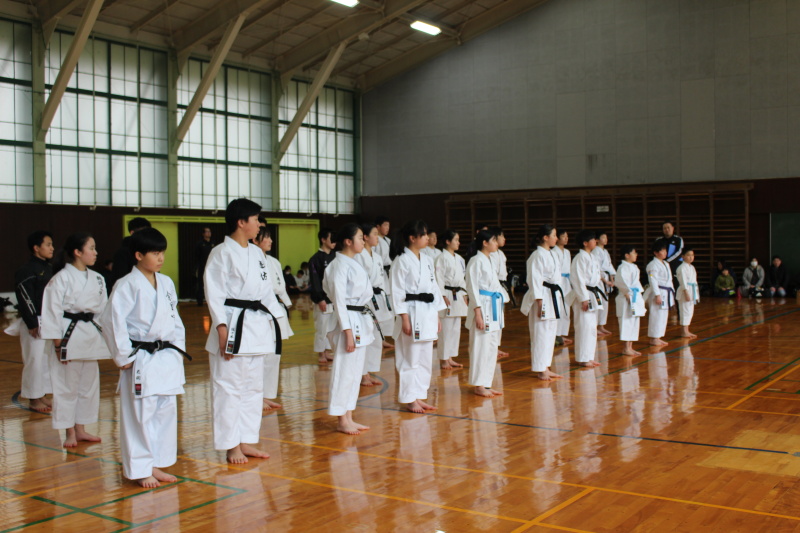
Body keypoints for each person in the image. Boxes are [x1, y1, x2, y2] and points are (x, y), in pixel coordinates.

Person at [98, 227, 188, 488]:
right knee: (141, 414)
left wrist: (178, 349)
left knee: (165, 412)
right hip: (141, 358)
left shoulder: (166, 283)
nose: (161, 258)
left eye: (162, 252)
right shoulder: (126, 285)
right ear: (138, 255)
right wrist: (122, 355)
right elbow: (112, 322)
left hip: (166, 356)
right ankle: (139, 469)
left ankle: (156, 463)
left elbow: (175, 320)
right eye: (155, 253)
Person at [204, 198, 280, 464]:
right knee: (229, 388)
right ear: (241, 222)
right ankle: (231, 445)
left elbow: (267, 292)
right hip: (233, 324)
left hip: (256, 326)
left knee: (253, 388)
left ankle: (246, 440)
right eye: (256, 220)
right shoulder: (220, 253)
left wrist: (276, 321)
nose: (259, 225)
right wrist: (221, 328)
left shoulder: (257, 254)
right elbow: (214, 294)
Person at [40, 232, 111, 447]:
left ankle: (81, 429)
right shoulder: (61, 278)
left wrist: (106, 338)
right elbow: (51, 312)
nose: (96, 253)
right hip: (68, 336)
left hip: (90, 336)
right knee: (66, 387)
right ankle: (69, 431)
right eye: (91, 248)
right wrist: (57, 345)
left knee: (88, 387)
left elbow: (103, 312)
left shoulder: (98, 278)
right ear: (77, 252)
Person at [323, 224, 376, 434]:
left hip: (359, 318)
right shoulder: (339, 265)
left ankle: (349, 416)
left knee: (355, 372)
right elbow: (339, 300)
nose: (363, 241)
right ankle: (341, 419)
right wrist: (347, 332)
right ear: (348, 241)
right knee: (344, 371)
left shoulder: (353, 263)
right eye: (360, 238)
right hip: (347, 321)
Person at [391, 220, 446, 413]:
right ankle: (409, 398)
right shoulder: (401, 261)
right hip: (411, 311)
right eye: (423, 235)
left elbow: (434, 288)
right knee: (410, 358)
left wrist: (437, 315)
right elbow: (397, 291)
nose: (427, 238)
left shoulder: (428, 260)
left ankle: (419, 395)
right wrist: (404, 318)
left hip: (428, 311)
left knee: (425, 358)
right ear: (412, 238)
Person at [6, 230, 55, 413]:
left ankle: (41, 394)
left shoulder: (48, 268)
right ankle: (34, 399)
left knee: (45, 359)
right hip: (34, 321)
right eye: (48, 244)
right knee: (33, 359)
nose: (52, 248)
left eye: (51, 244)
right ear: (36, 248)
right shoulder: (26, 270)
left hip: (48, 319)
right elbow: (25, 298)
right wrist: (32, 322)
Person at [253, 225, 293, 411]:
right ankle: (256, 395)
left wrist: (287, 304)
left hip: (277, 307)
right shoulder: (251, 260)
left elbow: (281, 287)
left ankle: (267, 394)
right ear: (256, 240)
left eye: (270, 237)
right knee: (261, 355)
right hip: (261, 309)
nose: (270, 240)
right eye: (266, 237)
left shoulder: (274, 261)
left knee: (274, 355)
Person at [521, 224, 565, 381]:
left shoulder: (552, 253)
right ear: (545, 237)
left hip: (552, 295)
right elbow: (534, 280)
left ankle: (546, 366)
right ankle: (540, 369)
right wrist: (539, 302)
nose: (556, 238)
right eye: (554, 235)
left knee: (550, 333)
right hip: (542, 296)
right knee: (540, 333)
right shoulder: (537, 255)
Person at [466, 227, 506, 396]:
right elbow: (472, 288)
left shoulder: (489, 260)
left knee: (491, 347)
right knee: (480, 346)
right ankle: (478, 385)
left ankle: (486, 383)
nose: (496, 243)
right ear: (484, 243)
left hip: (493, 305)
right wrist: (477, 313)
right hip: (482, 306)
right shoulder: (475, 261)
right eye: (494, 240)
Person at [355, 222, 394, 387]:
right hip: (365, 299)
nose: (377, 237)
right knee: (366, 336)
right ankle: (362, 373)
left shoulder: (377, 258)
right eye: (375, 234)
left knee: (377, 336)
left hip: (378, 298)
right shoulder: (358, 256)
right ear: (365, 237)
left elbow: (381, 280)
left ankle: (369, 372)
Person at [570, 230, 603, 368]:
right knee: (583, 326)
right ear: (585, 243)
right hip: (584, 294)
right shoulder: (580, 258)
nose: (595, 241)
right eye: (593, 239)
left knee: (591, 327)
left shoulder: (592, 257)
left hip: (592, 293)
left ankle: (589, 356)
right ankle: (582, 358)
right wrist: (583, 298)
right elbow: (577, 279)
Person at [434, 229, 467, 370]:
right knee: (446, 329)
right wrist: (441, 295)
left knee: (455, 329)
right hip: (447, 293)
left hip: (458, 294)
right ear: (448, 241)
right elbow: (438, 278)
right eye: (456, 240)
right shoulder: (441, 258)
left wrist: (465, 294)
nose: (458, 243)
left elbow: (463, 279)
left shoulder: (460, 259)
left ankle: (451, 357)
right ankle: (443, 359)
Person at [309, 228, 337, 364]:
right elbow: (315, 281)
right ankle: (321, 353)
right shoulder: (315, 259)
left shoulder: (336, 257)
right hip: (322, 299)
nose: (334, 242)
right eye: (331, 238)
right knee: (322, 327)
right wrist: (319, 298)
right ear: (323, 239)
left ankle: (327, 350)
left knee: (331, 327)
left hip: (334, 298)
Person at [615, 245, 645, 356]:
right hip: (626, 297)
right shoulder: (622, 267)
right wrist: (626, 293)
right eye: (634, 253)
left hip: (635, 296)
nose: (636, 255)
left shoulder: (634, 267)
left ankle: (630, 347)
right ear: (627, 255)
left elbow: (636, 283)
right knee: (626, 322)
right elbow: (620, 282)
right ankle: (626, 348)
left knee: (634, 322)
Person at [645, 239, 674, 347]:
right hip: (658, 291)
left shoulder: (666, 263)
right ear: (656, 253)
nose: (665, 252)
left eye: (665, 250)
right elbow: (653, 280)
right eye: (662, 250)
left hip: (666, 291)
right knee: (656, 314)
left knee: (663, 315)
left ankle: (658, 336)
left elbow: (670, 280)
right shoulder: (652, 265)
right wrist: (657, 295)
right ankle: (653, 338)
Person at [110, 217, 151, 289]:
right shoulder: (122, 253)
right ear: (132, 233)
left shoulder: (150, 250)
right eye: (143, 232)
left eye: (149, 233)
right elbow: (119, 279)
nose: (146, 236)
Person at [489, 227, 510, 358]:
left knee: (500, 320)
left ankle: (496, 346)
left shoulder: (501, 254)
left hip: (501, 287)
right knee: (493, 319)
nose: (504, 239)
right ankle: (492, 347)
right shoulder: (490, 254)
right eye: (502, 236)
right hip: (493, 288)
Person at [591, 231, 616, 336]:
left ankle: (601, 326)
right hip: (599, 280)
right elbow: (597, 269)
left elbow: (609, 266)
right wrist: (605, 280)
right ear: (597, 240)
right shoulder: (595, 251)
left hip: (607, 279)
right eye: (603, 237)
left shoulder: (605, 251)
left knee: (605, 303)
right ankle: (595, 326)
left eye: (606, 237)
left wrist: (612, 279)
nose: (606, 239)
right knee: (599, 302)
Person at [553, 229, 573, 346]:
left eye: (567, 236)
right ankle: (556, 334)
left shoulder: (567, 252)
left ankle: (562, 333)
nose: (566, 238)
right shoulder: (553, 251)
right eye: (563, 236)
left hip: (567, 282)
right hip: (558, 281)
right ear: (557, 238)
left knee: (566, 308)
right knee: (558, 308)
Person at [676, 248, 699, 339]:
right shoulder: (682, 268)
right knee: (684, 310)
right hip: (685, 291)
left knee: (690, 311)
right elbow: (683, 281)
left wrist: (696, 294)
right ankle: (683, 331)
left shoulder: (692, 267)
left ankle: (687, 330)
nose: (691, 257)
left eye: (692, 255)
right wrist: (686, 292)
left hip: (692, 290)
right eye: (688, 255)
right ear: (683, 256)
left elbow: (695, 281)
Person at [194, 226, 214, 306]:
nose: (208, 233)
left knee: (211, 284)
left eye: (209, 231)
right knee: (201, 284)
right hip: (202, 267)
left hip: (211, 267)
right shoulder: (200, 244)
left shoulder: (213, 243)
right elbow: (196, 256)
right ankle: (200, 301)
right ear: (203, 234)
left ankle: (211, 301)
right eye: (207, 231)